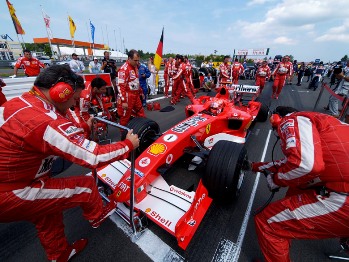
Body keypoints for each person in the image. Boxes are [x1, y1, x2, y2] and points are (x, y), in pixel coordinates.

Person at [0, 64, 139, 261]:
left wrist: (82, 126)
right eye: (73, 99)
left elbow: (67, 122)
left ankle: (60, 254)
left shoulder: (21, 101)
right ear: (61, 92)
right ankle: (97, 215)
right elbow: (93, 156)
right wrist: (127, 144)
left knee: (49, 211)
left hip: (18, 179)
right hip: (13, 190)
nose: (73, 104)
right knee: (87, 187)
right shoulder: (44, 119)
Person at [245, 106, 349, 262]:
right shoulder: (328, 122)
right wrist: (253, 166)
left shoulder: (291, 120)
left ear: (277, 118)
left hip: (344, 199)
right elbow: (289, 163)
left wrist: (276, 180)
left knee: (268, 222)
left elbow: (306, 165)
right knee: (297, 186)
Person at [117, 49, 145, 126]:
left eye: (138, 60)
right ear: (129, 58)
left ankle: (142, 129)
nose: (137, 62)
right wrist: (124, 101)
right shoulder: (124, 69)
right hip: (127, 96)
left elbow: (136, 81)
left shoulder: (135, 67)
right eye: (135, 60)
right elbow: (120, 85)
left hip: (135, 95)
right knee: (125, 117)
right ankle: (124, 136)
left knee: (141, 113)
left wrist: (141, 92)